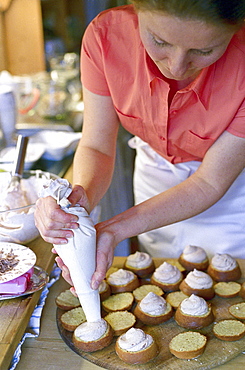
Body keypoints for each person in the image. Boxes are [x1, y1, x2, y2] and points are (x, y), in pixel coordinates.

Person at [35, 0, 245, 291]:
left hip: (232, 199)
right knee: (160, 289)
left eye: (203, 50)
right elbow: (97, 145)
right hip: (152, 185)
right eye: (159, 41)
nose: (177, 66)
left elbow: (209, 182)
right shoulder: (106, 37)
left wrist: (115, 228)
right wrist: (80, 200)